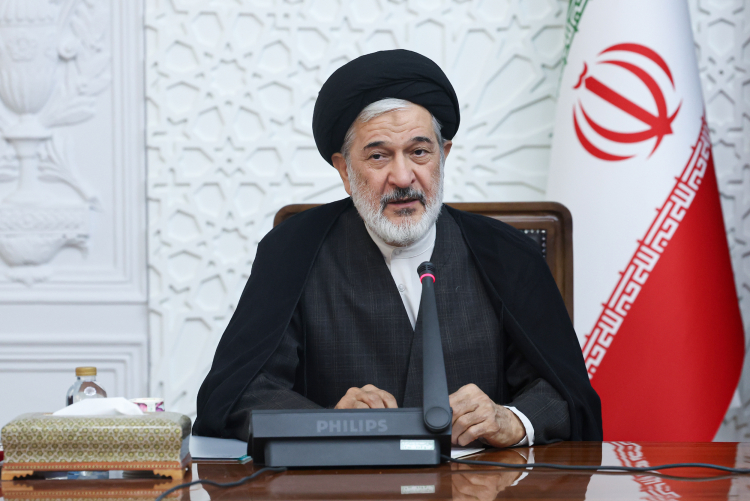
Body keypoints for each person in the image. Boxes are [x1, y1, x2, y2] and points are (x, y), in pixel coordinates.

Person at [194, 49, 602, 446]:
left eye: (419, 152)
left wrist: (512, 420)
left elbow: (566, 396)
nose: (403, 177)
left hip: (479, 483)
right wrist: (325, 421)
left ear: (443, 156)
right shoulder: (292, 251)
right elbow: (236, 395)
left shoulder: (508, 254)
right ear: (344, 170)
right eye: (378, 156)